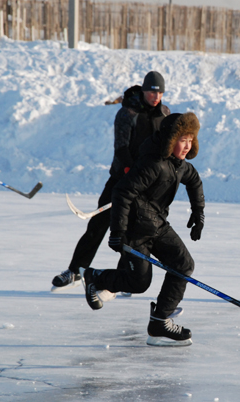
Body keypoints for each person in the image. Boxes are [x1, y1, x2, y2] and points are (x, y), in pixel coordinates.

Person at [80, 112, 205, 347]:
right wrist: (117, 232)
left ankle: (159, 321)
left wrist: (198, 213)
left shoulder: (179, 165)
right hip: (135, 231)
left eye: (191, 140)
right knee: (138, 283)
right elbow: (122, 192)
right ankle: (95, 277)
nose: (187, 146)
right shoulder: (153, 164)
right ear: (171, 139)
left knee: (184, 264)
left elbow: (195, 180)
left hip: (158, 226)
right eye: (182, 140)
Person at [51, 71, 170, 290]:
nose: (156, 96)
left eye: (160, 92)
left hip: (147, 185)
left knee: (134, 231)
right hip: (121, 179)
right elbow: (121, 147)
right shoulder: (127, 112)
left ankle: (124, 277)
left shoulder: (164, 113)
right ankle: (76, 270)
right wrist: (129, 172)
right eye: (152, 91)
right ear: (143, 91)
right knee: (98, 225)